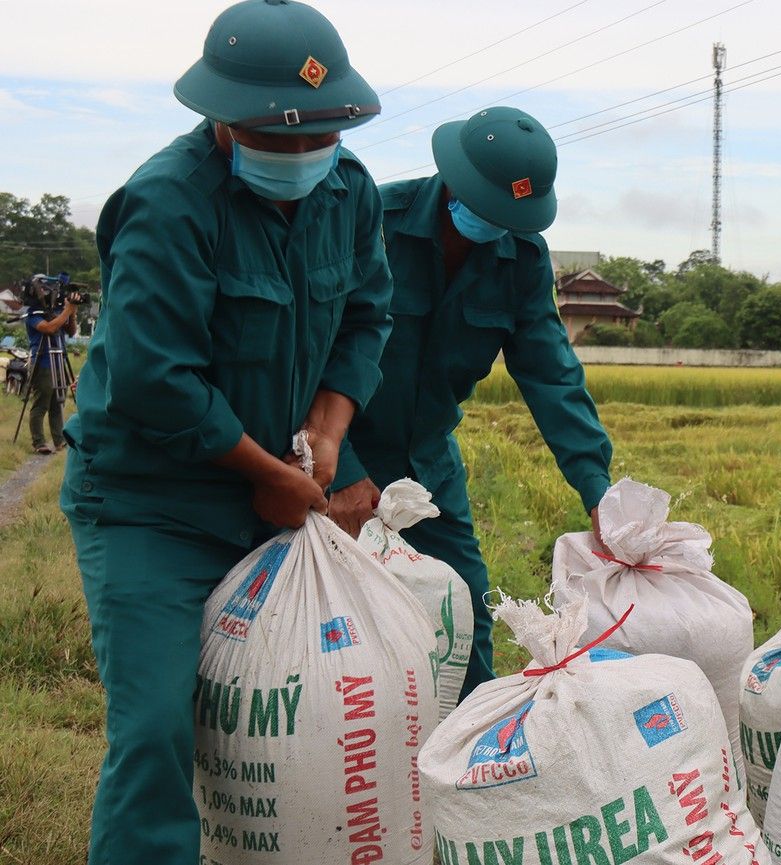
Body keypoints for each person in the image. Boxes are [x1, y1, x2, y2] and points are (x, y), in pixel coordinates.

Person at [59, 2, 392, 862]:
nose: (300, 158)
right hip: (151, 502)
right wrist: (264, 473)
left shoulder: (346, 191)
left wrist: (330, 424)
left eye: (317, 136)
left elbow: (366, 315)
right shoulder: (169, 205)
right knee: (160, 726)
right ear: (223, 121)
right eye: (276, 140)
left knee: (314, 703)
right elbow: (151, 377)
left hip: (270, 491)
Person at [329, 106, 613, 698]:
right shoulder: (372, 222)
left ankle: (469, 769)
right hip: (337, 448)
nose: (496, 227)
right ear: (454, 180)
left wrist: (597, 490)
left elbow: (551, 374)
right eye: (489, 210)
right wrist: (342, 471)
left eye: (510, 218)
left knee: (465, 611)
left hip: (428, 460)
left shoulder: (523, 259)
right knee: (337, 620)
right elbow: (309, 351)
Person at [24, 274, 78, 454]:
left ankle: (59, 440)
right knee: (42, 403)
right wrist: (66, 312)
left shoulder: (58, 312)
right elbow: (49, 328)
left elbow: (70, 331)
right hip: (42, 362)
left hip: (58, 360)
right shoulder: (33, 314)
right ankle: (39, 442)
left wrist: (73, 311)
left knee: (57, 403)